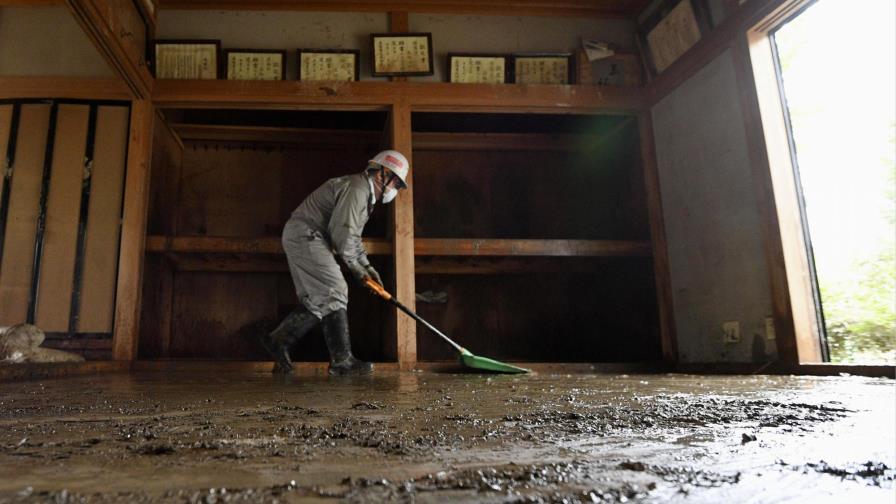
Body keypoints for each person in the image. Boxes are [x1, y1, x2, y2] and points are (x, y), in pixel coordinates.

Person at [260, 150, 409, 376]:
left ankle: (277, 341)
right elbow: (344, 237)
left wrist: (368, 269)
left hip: (305, 235)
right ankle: (342, 361)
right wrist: (359, 272)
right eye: (396, 183)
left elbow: (353, 239)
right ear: (382, 174)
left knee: (321, 300)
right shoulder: (358, 190)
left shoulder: (363, 194)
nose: (395, 190)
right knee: (335, 290)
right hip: (306, 234)